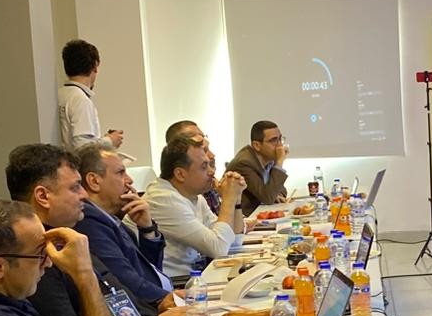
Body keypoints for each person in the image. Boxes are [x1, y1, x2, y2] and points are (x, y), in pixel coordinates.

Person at [5, 144, 184, 316]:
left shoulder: (67, 237)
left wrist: (159, 307)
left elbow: (119, 295)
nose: (84, 194)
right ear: (43, 196)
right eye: (75, 187)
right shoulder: (36, 256)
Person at [75, 143, 175, 306]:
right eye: (120, 173)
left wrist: (147, 229)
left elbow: (147, 270)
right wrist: (174, 299)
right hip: (151, 308)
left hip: (158, 300)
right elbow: (128, 282)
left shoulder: (109, 218)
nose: (129, 180)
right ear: (94, 181)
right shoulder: (89, 223)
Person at [144, 137, 249, 282]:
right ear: (180, 174)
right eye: (204, 167)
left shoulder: (194, 195)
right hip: (176, 284)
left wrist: (236, 198)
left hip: (196, 278)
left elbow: (234, 241)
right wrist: (228, 199)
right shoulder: (163, 199)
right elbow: (218, 249)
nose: (212, 172)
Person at [56, 39, 124, 151]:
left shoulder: (60, 94)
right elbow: (83, 148)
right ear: (95, 66)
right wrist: (109, 141)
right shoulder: (80, 100)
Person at [225, 120, 290, 215]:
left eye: (280, 139)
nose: (280, 145)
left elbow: (281, 190)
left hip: (262, 214)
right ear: (257, 145)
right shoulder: (244, 163)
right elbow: (268, 198)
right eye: (273, 140)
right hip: (244, 218)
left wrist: (277, 195)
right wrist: (279, 162)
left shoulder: (269, 158)